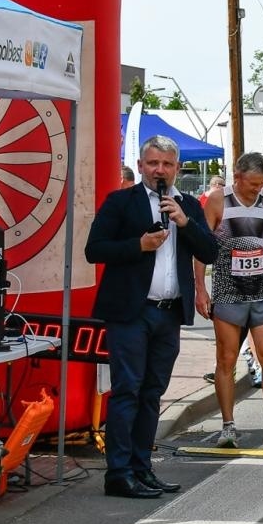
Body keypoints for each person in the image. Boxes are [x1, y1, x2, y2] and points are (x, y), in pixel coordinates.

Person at [87, 136, 217, 498]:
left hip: (168, 312)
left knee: (152, 392)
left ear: (177, 168)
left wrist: (186, 222)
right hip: (131, 311)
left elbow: (210, 252)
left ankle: (142, 468)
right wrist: (137, 246)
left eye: (167, 164)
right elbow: (94, 249)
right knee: (127, 389)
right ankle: (119, 472)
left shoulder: (187, 203)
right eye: (152, 163)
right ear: (141, 165)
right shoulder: (120, 201)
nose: (159, 170)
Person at [195, 153, 263, 451]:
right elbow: (201, 246)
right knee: (226, 359)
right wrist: (200, 287)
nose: (256, 189)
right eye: (251, 184)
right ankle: (228, 426)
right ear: (236, 177)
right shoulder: (217, 200)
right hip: (228, 289)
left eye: (262, 183)